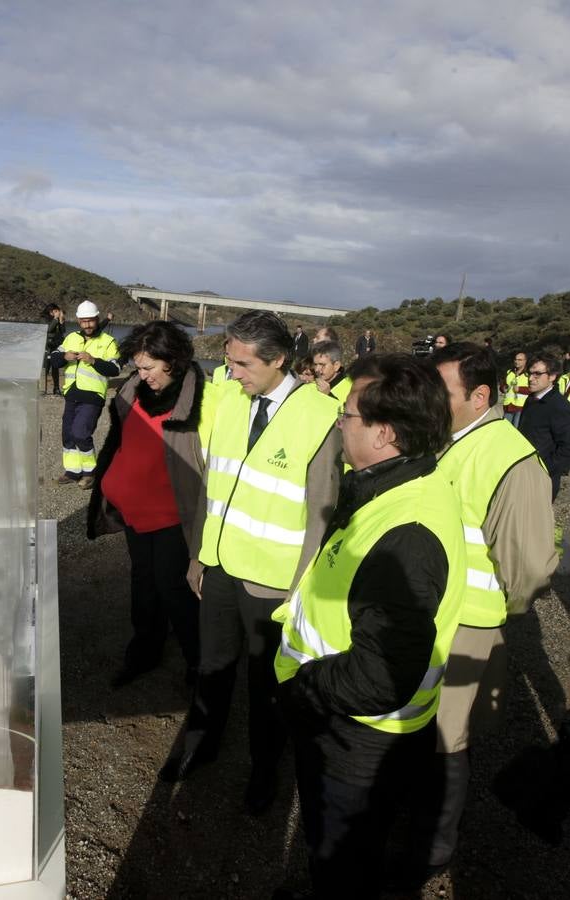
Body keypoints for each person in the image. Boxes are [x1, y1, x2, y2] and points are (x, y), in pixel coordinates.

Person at [273, 353, 466, 898]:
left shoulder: (406, 532)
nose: (338, 422)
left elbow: (382, 674)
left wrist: (301, 691)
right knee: (337, 851)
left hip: (358, 734)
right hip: (350, 725)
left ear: (383, 433)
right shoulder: (394, 485)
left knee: (344, 860)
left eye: (347, 415)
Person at [166, 311, 341, 817]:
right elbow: (211, 488)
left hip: (273, 582)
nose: (233, 372)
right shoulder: (231, 402)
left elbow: (320, 514)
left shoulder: (319, 416)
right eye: (228, 360)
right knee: (213, 667)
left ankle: (264, 767)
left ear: (279, 360)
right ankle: (200, 743)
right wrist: (199, 554)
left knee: (267, 686)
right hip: (219, 566)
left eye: (242, 364)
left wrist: (299, 589)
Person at [412, 343, 556, 881]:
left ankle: (434, 846)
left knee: (448, 742)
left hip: (466, 626)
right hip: (426, 619)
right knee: (418, 730)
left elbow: (531, 569)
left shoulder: (511, 459)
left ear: (480, 396)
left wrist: (496, 612)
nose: (428, 400)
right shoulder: (440, 437)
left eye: (441, 391)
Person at [87, 321, 213, 689]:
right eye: (138, 367)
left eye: (149, 368)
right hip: (135, 515)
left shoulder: (204, 400)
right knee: (143, 584)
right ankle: (144, 651)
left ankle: (200, 663)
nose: (141, 375)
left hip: (173, 516)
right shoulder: (134, 388)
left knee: (175, 589)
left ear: (172, 360)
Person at [49, 301, 121, 488]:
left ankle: (90, 472)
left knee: (81, 432)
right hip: (71, 394)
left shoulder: (108, 342)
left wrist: (94, 360)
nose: (87, 325)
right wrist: (64, 357)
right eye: (84, 321)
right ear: (79, 321)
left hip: (93, 397)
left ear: (97, 319)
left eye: (91, 321)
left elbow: (115, 369)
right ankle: (72, 472)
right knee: (68, 434)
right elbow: (54, 360)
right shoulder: (71, 338)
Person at [517, 352, 570, 499]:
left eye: (537, 374)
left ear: (552, 376)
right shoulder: (532, 399)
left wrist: (544, 469)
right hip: (523, 474)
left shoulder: (559, 406)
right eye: (530, 373)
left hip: (542, 481)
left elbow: (569, 449)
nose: (531, 379)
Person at [42, 304, 66, 395]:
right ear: (50, 311)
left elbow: (63, 331)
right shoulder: (44, 319)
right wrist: (55, 319)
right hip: (47, 346)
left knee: (55, 367)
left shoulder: (59, 319)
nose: (58, 313)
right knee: (46, 368)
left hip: (56, 346)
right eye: (56, 311)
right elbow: (48, 329)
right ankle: (43, 389)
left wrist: (61, 321)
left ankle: (56, 388)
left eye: (58, 311)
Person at [502, 352, 529, 425]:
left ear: (525, 361)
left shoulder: (529, 374)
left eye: (520, 360)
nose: (516, 362)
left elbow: (533, 389)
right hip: (508, 406)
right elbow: (503, 385)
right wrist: (503, 388)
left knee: (517, 429)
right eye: (515, 359)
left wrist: (520, 389)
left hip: (521, 407)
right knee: (505, 428)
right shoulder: (509, 372)